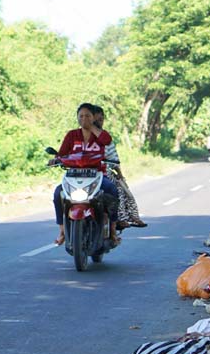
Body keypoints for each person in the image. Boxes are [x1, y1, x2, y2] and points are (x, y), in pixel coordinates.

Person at [52, 102, 121, 246]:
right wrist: (55, 159)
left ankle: (113, 230)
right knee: (58, 193)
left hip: (97, 175)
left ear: (93, 118)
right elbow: (62, 153)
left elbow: (107, 141)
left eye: (88, 116)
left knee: (112, 190)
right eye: (81, 116)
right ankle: (62, 231)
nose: (84, 119)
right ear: (77, 118)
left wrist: (92, 128)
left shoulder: (100, 135)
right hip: (74, 177)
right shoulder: (72, 135)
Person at [91, 105, 147, 229]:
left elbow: (114, 159)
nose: (99, 122)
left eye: (101, 119)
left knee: (122, 191)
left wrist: (120, 175)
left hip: (103, 173)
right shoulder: (78, 135)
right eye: (96, 120)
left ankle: (120, 221)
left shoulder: (104, 137)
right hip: (80, 174)